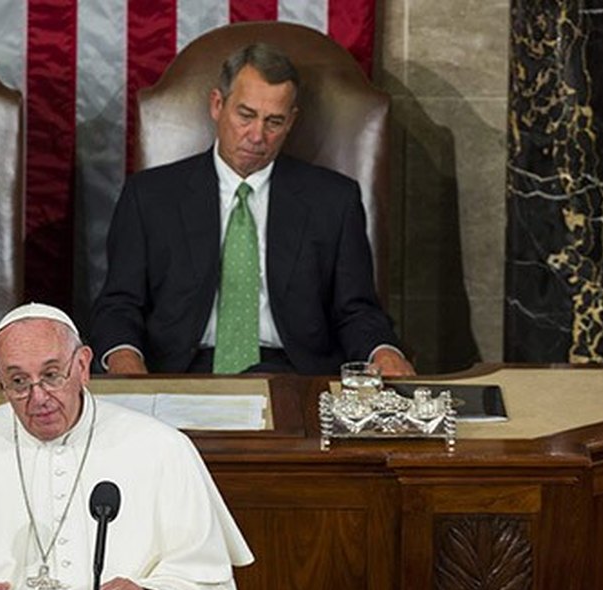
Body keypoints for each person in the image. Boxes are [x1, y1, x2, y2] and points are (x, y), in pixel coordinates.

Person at [0, 303, 254, 590]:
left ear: (82, 366)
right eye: (18, 382)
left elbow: (211, 581)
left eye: (51, 375)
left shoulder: (163, 448)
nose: (38, 397)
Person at [90, 42, 415, 378]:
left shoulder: (334, 200)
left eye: (274, 121)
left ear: (291, 122)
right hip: (180, 372)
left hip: (296, 374)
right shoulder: (150, 197)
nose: (257, 135)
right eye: (245, 115)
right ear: (217, 104)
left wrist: (385, 352)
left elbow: (356, 310)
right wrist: (125, 359)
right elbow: (119, 304)